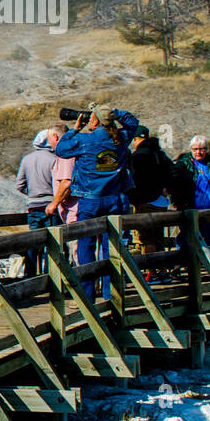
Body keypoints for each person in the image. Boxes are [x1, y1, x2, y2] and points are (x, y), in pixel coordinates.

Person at [52, 104, 138, 299]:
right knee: (111, 249)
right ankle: (111, 295)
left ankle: (88, 295)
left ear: (95, 120)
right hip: (114, 200)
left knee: (86, 245)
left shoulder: (85, 140)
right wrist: (114, 112)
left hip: (90, 201)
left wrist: (74, 128)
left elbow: (61, 149)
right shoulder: (121, 139)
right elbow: (133, 122)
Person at [127, 125, 175, 277]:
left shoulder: (138, 156)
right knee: (158, 236)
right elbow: (173, 171)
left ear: (136, 139)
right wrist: (166, 187)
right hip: (161, 201)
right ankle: (162, 270)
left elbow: (134, 180)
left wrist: (133, 197)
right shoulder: (160, 154)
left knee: (147, 239)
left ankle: (151, 271)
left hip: (145, 202)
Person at [16, 125, 62, 277]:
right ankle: (52, 278)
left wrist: (33, 194)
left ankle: (30, 277)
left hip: (33, 206)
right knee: (53, 244)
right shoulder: (55, 159)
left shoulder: (27, 159)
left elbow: (19, 185)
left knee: (32, 243)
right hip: (51, 205)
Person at [173, 135, 210, 247]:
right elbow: (174, 183)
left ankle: (209, 264)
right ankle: (183, 263)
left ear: (206, 150)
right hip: (190, 208)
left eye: (202, 149)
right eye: (195, 149)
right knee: (187, 240)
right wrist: (177, 201)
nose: (199, 152)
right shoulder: (183, 164)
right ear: (191, 149)